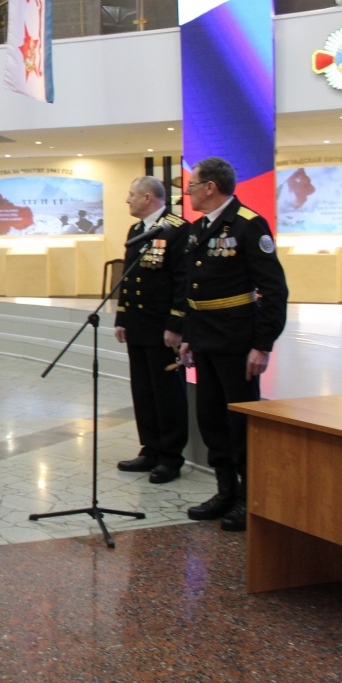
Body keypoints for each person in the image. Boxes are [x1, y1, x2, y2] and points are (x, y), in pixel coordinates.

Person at [178, 157, 288, 532]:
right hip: (205, 337)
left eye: (192, 185)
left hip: (237, 341)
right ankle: (224, 491)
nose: (188, 192)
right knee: (211, 419)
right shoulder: (199, 228)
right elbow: (194, 288)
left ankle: (248, 496)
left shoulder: (248, 224)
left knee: (240, 423)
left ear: (210, 187)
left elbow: (274, 290)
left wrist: (263, 344)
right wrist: (189, 335)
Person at [114, 177, 190, 485]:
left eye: (131, 195)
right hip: (138, 323)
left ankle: (170, 457)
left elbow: (183, 281)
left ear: (147, 197)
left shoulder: (177, 229)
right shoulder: (137, 230)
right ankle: (150, 448)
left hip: (162, 326)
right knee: (143, 391)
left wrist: (176, 324)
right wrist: (122, 316)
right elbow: (129, 276)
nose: (127, 200)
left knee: (167, 393)